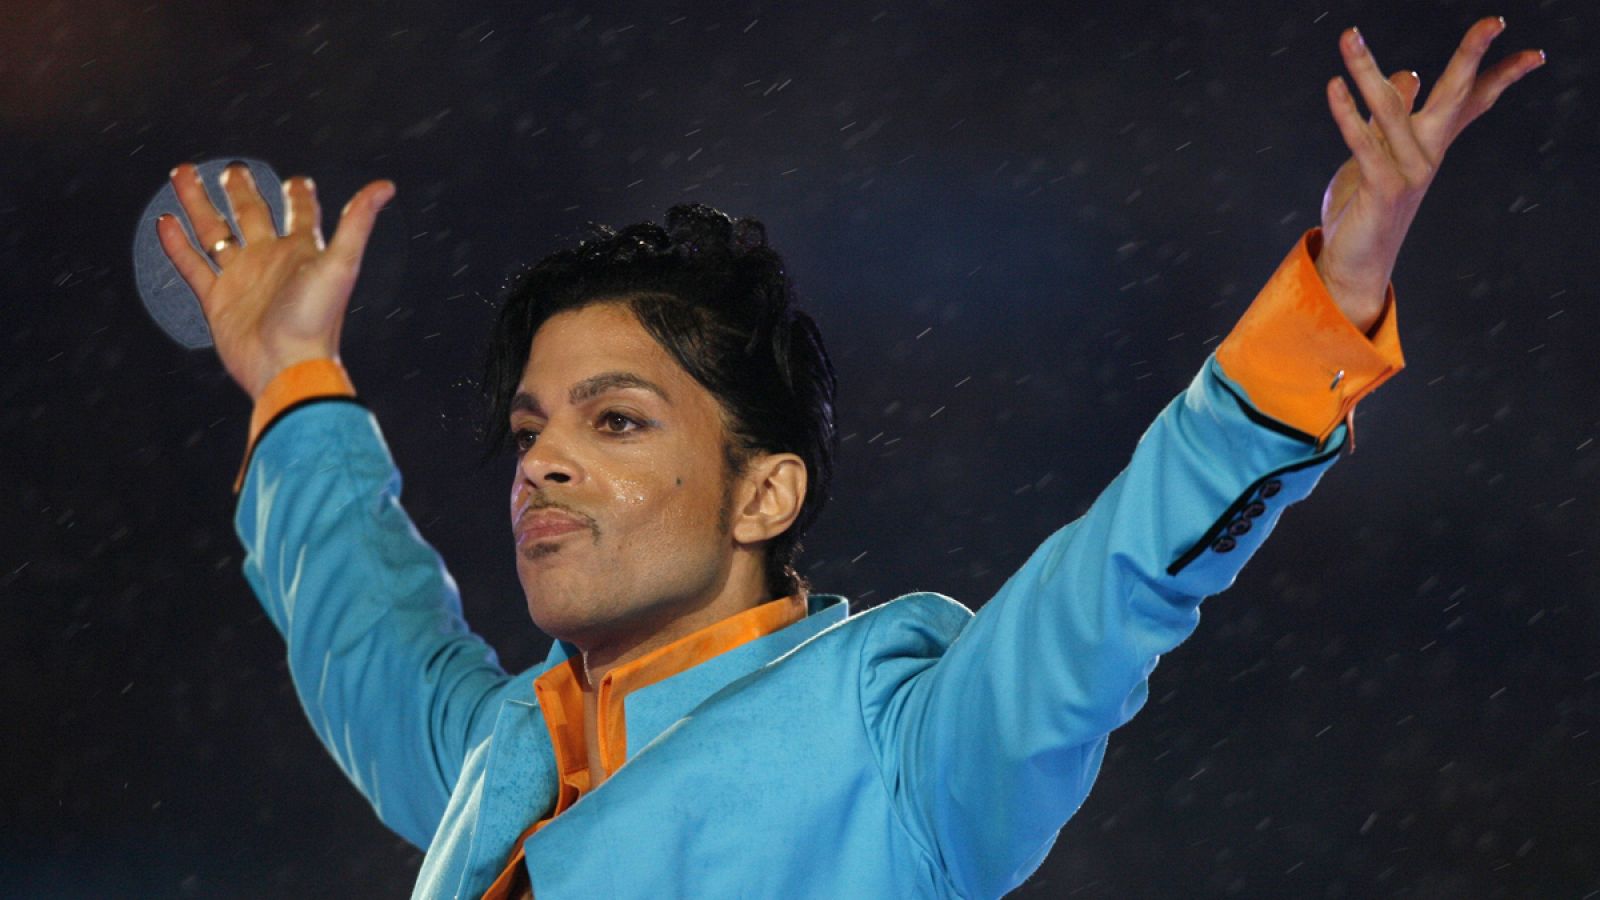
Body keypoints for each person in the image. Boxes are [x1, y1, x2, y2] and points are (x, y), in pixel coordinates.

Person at [154, 19, 1542, 899]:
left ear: (768, 491)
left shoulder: (898, 749)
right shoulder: (503, 751)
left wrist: (1334, 297)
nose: (544, 466)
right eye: (534, 429)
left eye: (616, 420)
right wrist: (292, 375)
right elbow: (367, 624)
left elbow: (1122, 580)